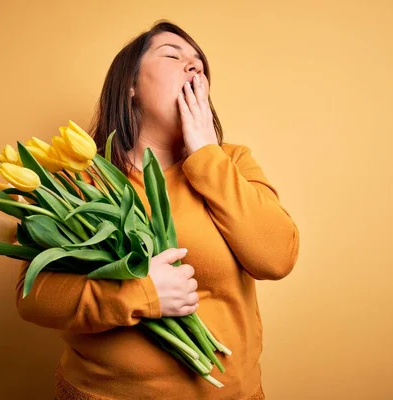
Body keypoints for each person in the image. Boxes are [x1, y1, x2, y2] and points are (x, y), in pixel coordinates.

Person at [16, 20, 300, 400]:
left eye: (199, 63)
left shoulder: (232, 162)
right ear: (130, 86)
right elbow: (32, 295)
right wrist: (138, 293)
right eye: (173, 55)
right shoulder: (77, 181)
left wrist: (206, 156)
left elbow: (277, 258)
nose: (194, 65)